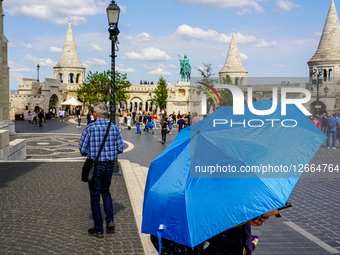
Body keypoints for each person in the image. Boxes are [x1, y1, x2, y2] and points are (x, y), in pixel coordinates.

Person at [78, 103, 125, 238]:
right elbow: (120, 148)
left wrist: (90, 152)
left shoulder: (89, 128)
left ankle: (98, 229)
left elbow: (82, 149)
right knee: (106, 191)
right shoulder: (114, 128)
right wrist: (110, 154)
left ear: (96, 114)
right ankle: (110, 220)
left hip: (96, 165)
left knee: (94, 196)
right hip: (109, 165)